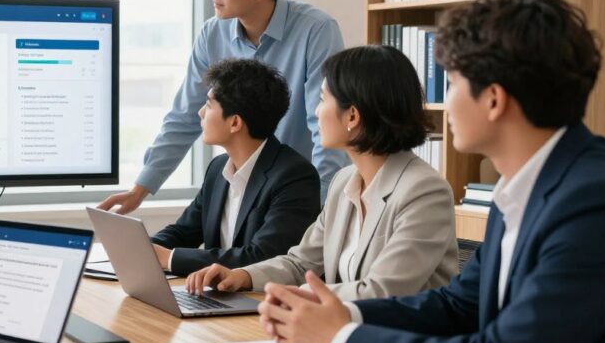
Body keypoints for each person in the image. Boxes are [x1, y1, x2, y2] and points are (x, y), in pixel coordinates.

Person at [258, 0, 605, 343]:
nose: (443, 101)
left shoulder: (590, 200)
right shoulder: (520, 189)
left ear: (493, 100)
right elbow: (457, 307)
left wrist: (339, 341)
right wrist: (342, 314)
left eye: (453, 83)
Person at [100, 0, 348, 213]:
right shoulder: (212, 34)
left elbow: (327, 126)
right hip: (241, 191)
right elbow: (184, 116)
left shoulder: (316, 30)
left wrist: (321, 208)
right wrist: (140, 188)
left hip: (298, 195)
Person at [186, 45, 457, 300]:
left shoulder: (423, 190)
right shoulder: (343, 182)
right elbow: (300, 263)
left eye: (322, 99)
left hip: (398, 332)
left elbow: (382, 290)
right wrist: (242, 276)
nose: (316, 111)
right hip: (347, 325)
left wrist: (299, 296)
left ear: (352, 116)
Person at [148, 58, 319, 276]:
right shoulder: (218, 168)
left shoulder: (294, 176)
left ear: (235, 122)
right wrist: (144, 248)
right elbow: (184, 231)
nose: (201, 112)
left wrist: (170, 259)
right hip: (215, 292)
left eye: (209, 105)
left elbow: (263, 256)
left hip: (261, 295)